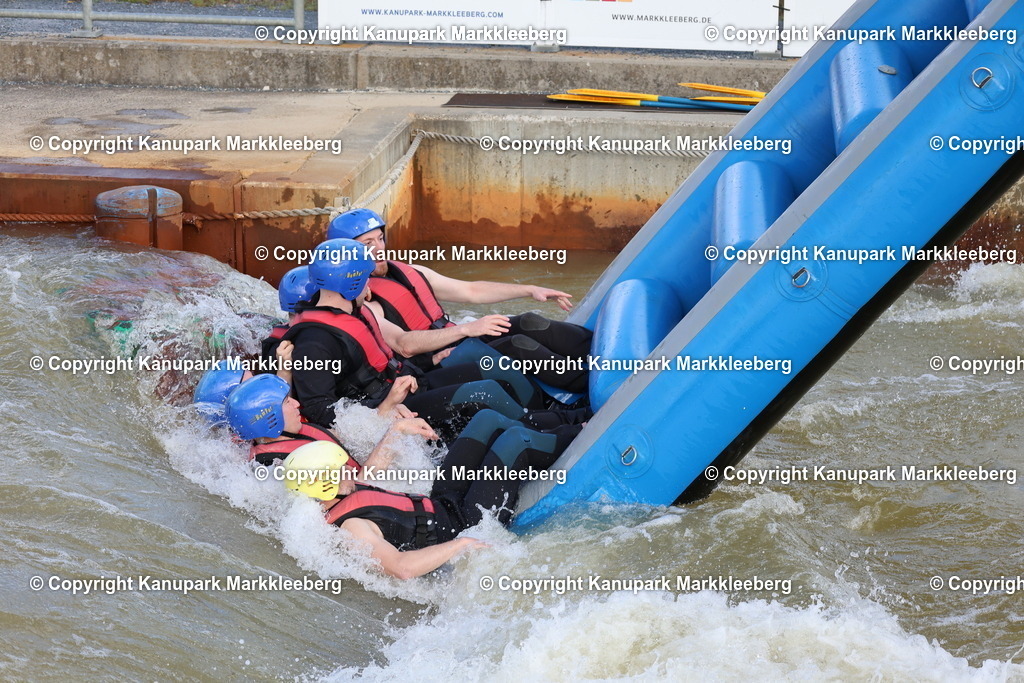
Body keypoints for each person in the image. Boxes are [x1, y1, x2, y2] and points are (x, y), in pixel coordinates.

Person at [285, 238, 549, 442]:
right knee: (483, 393)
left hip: (407, 385)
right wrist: (385, 408)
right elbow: (320, 410)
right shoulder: (314, 343)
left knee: (493, 369)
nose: (370, 287)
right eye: (365, 279)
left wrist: (430, 361)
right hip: (388, 408)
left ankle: (545, 416)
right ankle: (540, 435)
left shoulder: (354, 311)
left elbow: (391, 354)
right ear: (351, 283)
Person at [282, 409, 580, 579]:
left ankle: (567, 419)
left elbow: (371, 471)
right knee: (514, 442)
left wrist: (398, 429)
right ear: (324, 484)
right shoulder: (353, 528)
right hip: (469, 522)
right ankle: (582, 430)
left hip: (443, 500)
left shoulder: (340, 491)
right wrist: (460, 545)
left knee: (486, 420)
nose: (349, 469)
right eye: (340, 469)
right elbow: (402, 568)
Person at [327, 208, 592, 392]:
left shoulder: (408, 271)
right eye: (367, 244)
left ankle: (599, 355)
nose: (379, 248)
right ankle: (588, 385)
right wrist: (467, 329)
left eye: (380, 239)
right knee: (517, 345)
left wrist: (529, 290)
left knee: (526, 321)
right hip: (433, 365)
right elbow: (404, 345)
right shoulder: (360, 301)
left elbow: (471, 291)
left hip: (456, 340)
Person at [224, 373, 437, 467]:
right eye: (287, 402)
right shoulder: (283, 464)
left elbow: (353, 439)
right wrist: (396, 432)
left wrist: (389, 404)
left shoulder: (292, 434)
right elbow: (362, 485)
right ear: (269, 419)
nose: (297, 404)